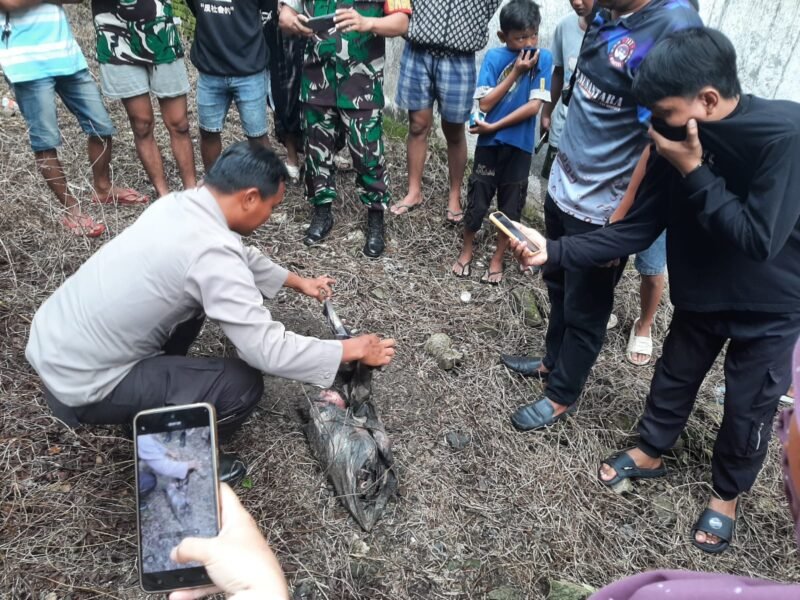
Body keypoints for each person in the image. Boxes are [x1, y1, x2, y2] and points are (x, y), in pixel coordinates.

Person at [509, 28, 800, 553]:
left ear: (706, 100)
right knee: (674, 376)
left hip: (771, 306)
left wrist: (694, 169)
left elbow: (758, 240)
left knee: (748, 405)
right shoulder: (674, 136)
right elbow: (638, 228)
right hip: (701, 294)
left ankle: (726, 495)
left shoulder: (783, 136)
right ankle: (651, 450)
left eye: (662, 111)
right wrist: (554, 250)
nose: (653, 124)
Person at [25, 143, 397, 481]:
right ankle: (179, 458)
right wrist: (350, 349)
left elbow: (239, 254)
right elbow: (267, 349)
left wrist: (299, 282)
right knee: (241, 384)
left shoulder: (179, 204)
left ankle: (150, 398)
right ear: (250, 198)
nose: (269, 216)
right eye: (272, 207)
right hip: (83, 384)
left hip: (54, 344)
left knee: (194, 308)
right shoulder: (213, 254)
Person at [500, 0, 702, 432]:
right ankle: (551, 361)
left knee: (587, 307)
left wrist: (620, 219)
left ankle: (561, 394)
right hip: (563, 186)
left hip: (602, 208)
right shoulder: (605, 14)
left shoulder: (672, 25)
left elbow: (659, 140)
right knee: (558, 286)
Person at [588, 339, 800, 598]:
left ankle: (727, 492)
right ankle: (651, 448)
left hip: (773, 316)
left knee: (754, 396)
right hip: (703, 310)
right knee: (680, 362)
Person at [0, 0, 148, 237]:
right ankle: (72, 211)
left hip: (67, 57)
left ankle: (103, 188)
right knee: (45, 142)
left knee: (101, 126)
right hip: (26, 66)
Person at [278, 0, 411, 258]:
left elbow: (401, 22)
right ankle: (322, 212)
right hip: (317, 79)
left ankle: (375, 218)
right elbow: (285, 14)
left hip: (362, 82)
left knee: (368, 153)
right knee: (316, 151)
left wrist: (367, 22)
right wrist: (293, 22)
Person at [451, 0, 552, 285]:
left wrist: (494, 125)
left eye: (533, 35)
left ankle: (497, 258)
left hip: (519, 146)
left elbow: (534, 107)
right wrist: (516, 72)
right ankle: (467, 249)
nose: (528, 43)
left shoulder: (543, 59)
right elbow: (485, 102)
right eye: (520, 37)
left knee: (511, 207)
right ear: (502, 36)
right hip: (489, 145)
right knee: (478, 199)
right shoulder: (494, 57)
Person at [390, 0, 503, 224]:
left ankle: (454, 196)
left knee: (454, 130)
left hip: (459, 56)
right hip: (418, 50)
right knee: (417, 125)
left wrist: (472, 22)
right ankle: (414, 191)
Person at [91, 0, 197, 197]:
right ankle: (163, 195)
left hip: (159, 28)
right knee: (142, 124)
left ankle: (192, 193)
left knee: (179, 123)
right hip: (114, 31)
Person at [187, 0, 272, 171]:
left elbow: (268, 12)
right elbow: (197, 10)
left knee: (257, 136)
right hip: (210, 68)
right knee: (208, 132)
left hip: (249, 70)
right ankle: (213, 182)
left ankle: (271, 183)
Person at [538, 0, 595, 180]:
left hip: (590, 139)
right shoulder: (565, 26)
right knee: (551, 182)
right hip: (561, 129)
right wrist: (546, 112)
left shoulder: (613, 33)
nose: (576, 2)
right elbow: (559, 73)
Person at [263, 1, 307, 182]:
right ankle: (292, 156)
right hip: (281, 31)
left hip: (315, 23)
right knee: (285, 95)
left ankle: (322, 154)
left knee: (320, 97)